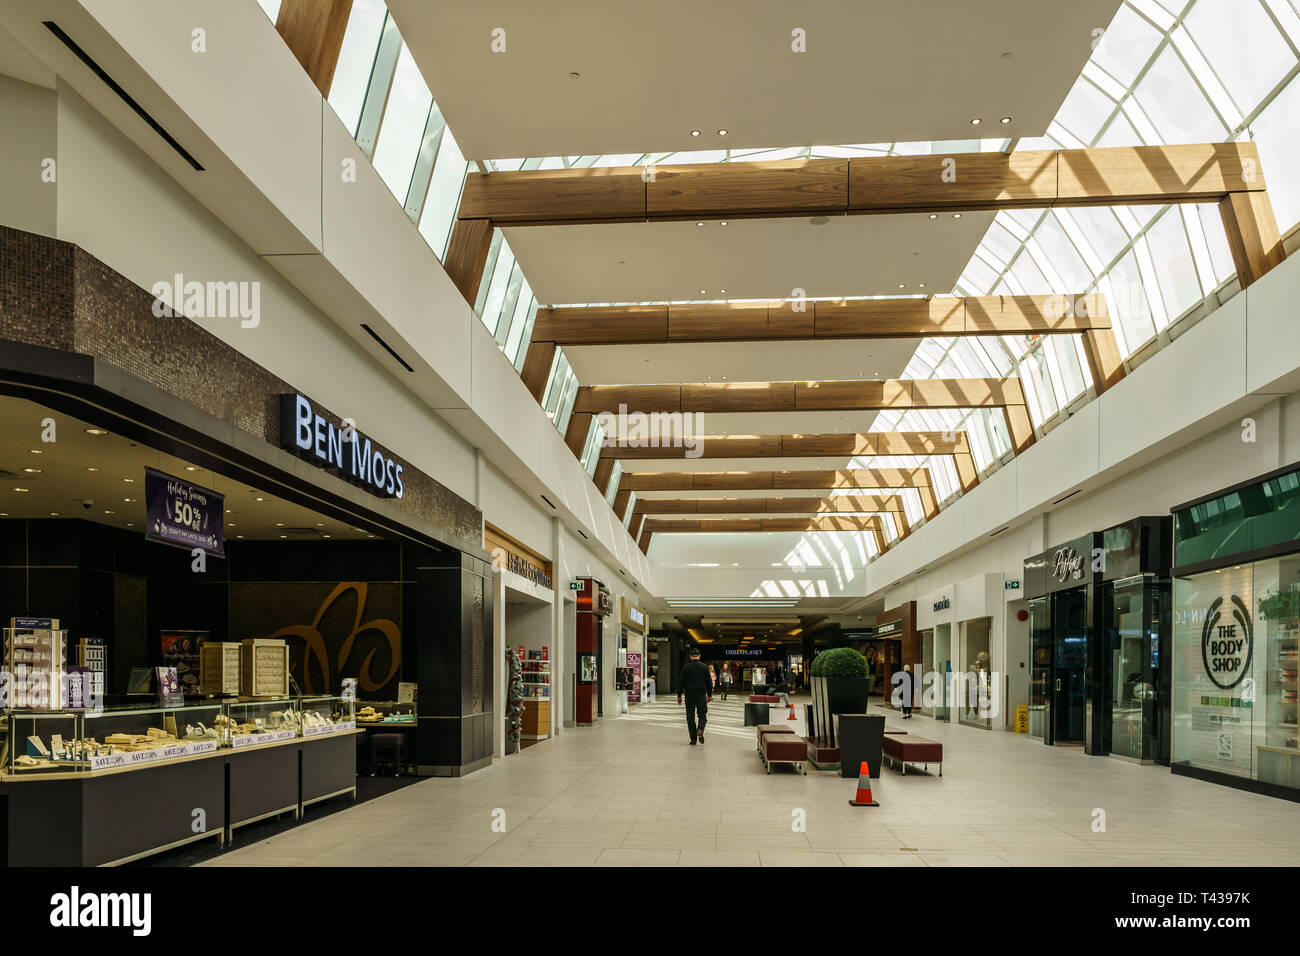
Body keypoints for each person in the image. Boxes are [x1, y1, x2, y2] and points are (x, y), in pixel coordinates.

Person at [677, 647, 713, 745]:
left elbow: (681, 683)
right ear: (699, 656)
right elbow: (709, 683)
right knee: (702, 715)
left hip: (689, 695)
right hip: (701, 695)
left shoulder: (686, 667)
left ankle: (693, 739)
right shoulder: (704, 667)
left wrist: (679, 696)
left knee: (690, 717)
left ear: (690, 656)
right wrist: (709, 695)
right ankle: (700, 729)